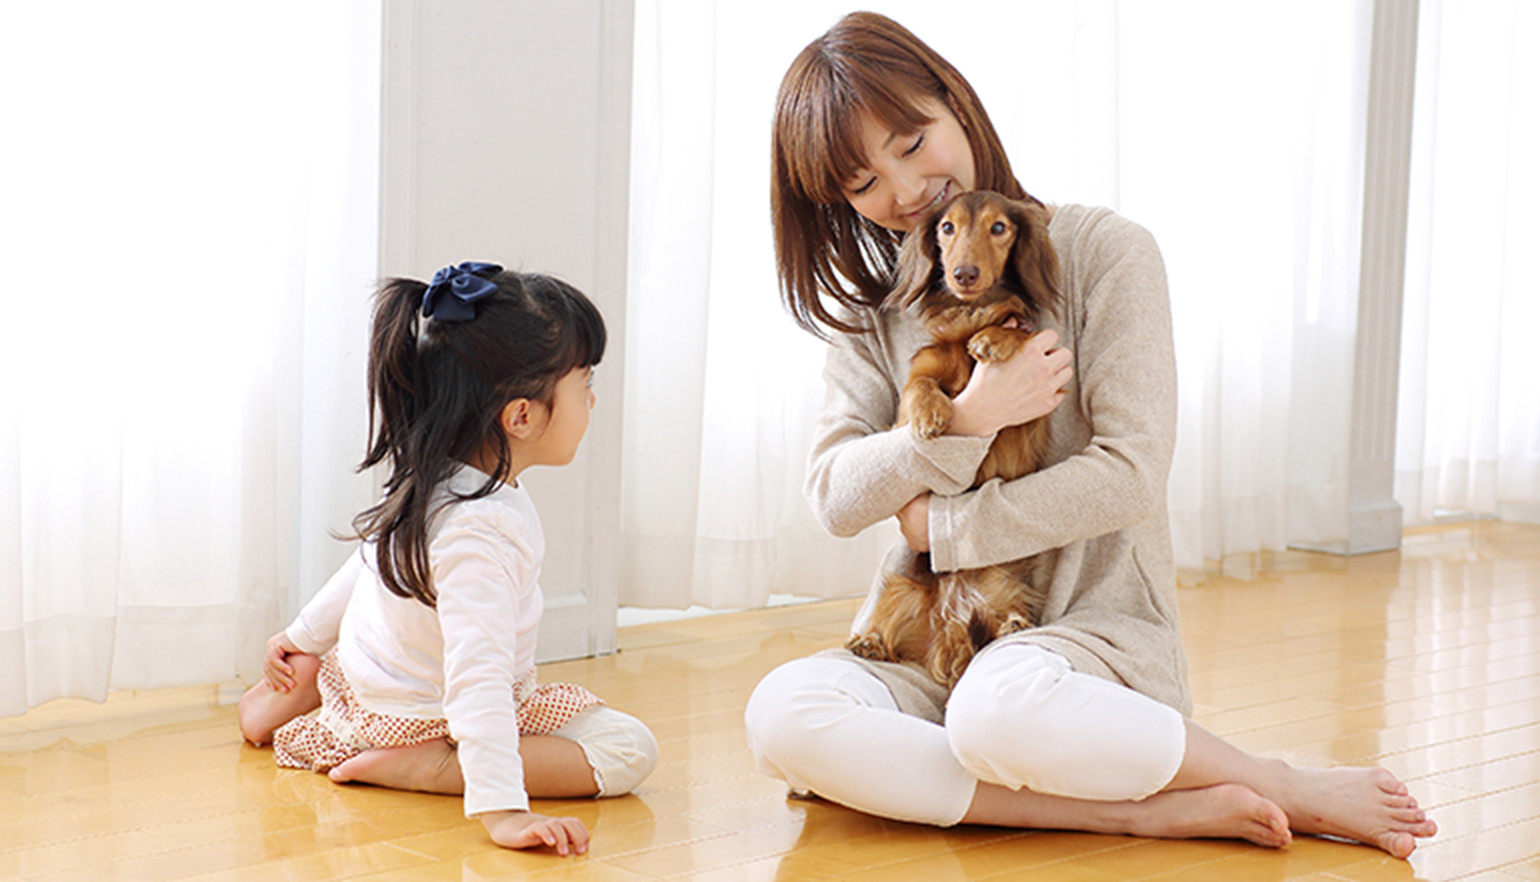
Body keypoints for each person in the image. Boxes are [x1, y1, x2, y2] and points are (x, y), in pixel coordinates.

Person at [744, 12, 1436, 858]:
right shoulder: (878, 312)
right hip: (932, 646)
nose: (907, 189)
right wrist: (968, 419)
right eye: (863, 183)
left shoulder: (1108, 251)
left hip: (1087, 643)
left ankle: (1277, 781)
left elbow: (1131, 471)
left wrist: (945, 527)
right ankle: (1132, 811)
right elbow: (835, 495)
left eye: (913, 141)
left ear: (956, 102)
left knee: (998, 712)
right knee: (780, 714)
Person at [238, 262, 657, 856]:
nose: (592, 398)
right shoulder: (480, 533)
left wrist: (302, 637)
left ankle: (313, 698)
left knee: (350, 673)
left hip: (372, 683)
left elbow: (372, 562)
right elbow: (477, 677)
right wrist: (504, 811)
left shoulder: (438, 480)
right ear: (521, 416)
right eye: (584, 382)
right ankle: (423, 766)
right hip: (427, 718)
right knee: (629, 749)